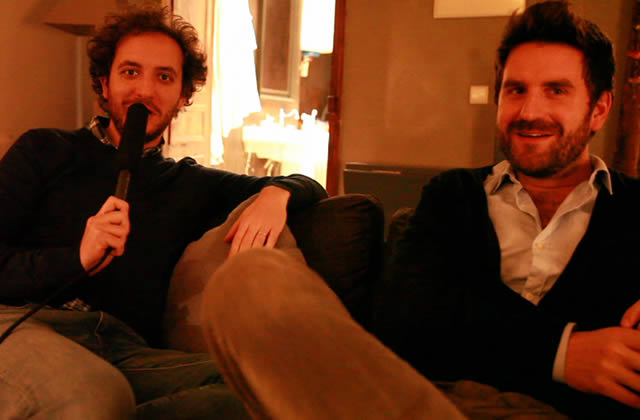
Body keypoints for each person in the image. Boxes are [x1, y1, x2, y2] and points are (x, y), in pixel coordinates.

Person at [199, 1, 640, 419]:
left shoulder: (636, 210)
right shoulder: (452, 195)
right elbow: (405, 322)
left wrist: (467, 322)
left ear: (599, 109)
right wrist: (561, 351)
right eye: (515, 90)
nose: (529, 111)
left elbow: (439, 321)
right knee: (250, 280)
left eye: (556, 91)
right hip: (421, 403)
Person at [0, 6, 326, 419]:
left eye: (164, 77)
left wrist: (277, 193)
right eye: (130, 72)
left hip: (121, 348)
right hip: (24, 326)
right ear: (105, 83)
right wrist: (76, 258)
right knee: (95, 395)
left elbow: (308, 184)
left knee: (262, 388)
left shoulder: (189, 183)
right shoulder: (44, 150)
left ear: (184, 96)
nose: (145, 90)